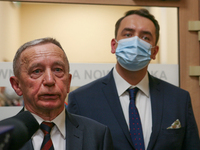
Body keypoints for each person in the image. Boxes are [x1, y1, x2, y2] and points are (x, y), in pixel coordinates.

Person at [68, 9, 200, 150]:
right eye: (128, 34)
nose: (135, 42)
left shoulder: (178, 99)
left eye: (145, 38)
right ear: (114, 45)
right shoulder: (82, 100)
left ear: (154, 52)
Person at [9, 37, 113, 150]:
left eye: (58, 70)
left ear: (68, 82)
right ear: (16, 85)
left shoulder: (97, 134)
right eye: (37, 71)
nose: (49, 80)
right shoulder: (4, 136)